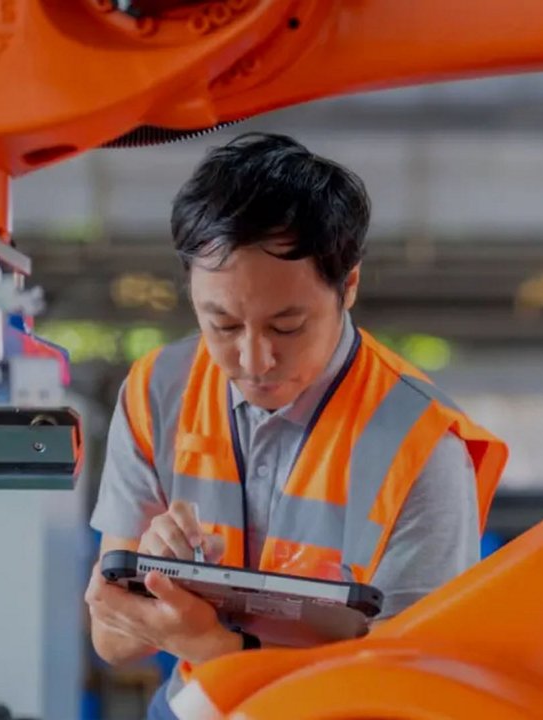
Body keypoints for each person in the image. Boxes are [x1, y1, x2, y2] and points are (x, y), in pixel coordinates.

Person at [82, 133, 508, 719]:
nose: (253, 361)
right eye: (223, 325)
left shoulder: (422, 446)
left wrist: (214, 646)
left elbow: (411, 688)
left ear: (348, 285)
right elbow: (112, 641)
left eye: (286, 327)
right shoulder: (159, 390)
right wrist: (158, 584)